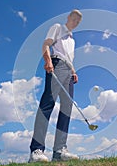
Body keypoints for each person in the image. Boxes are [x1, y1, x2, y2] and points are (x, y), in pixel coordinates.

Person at [29, 9, 82, 163]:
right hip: (57, 64)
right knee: (47, 104)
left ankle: (59, 150)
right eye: (74, 19)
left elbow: (69, 58)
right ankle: (36, 150)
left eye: (78, 21)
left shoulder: (73, 40)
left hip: (68, 71)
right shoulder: (57, 27)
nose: (75, 22)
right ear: (68, 17)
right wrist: (48, 61)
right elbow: (46, 44)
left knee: (66, 109)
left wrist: (74, 71)